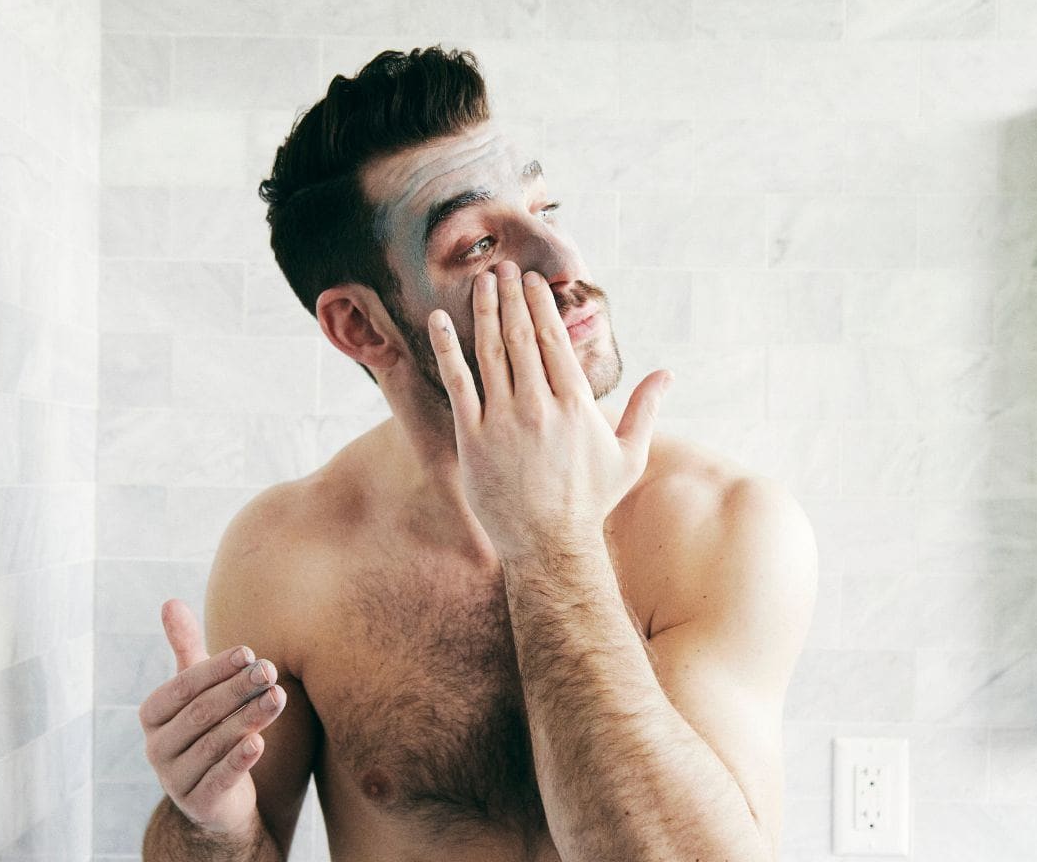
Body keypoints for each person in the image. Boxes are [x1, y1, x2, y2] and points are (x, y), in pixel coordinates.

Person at [138, 45, 817, 862]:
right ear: (361, 326)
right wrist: (209, 824)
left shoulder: (721, 524)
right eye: (478, 247)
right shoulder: (288, 555)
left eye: (546, 207)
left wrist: (552, 545)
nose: (565, 264)